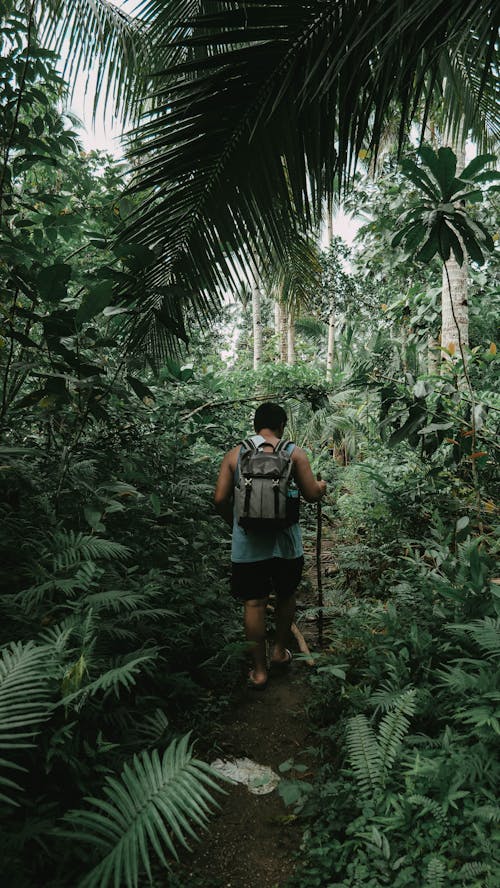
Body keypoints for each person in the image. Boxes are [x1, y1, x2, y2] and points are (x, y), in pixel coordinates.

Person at [214, 402, 327, 689]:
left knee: (254, 602)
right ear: (281, 425)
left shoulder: (235, 454)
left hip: (248, 544)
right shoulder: (294, 453)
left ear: (256, 425)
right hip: (286, 544)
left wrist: (236, 523)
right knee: (286, 596)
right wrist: (323, 486)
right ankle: (279, 652)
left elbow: (219, 499)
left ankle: (260, 671)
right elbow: (313, 494)